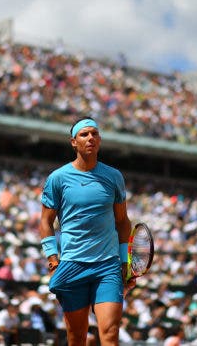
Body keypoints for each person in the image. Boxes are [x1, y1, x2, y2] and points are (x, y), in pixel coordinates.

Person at [39, 116, 135, 345]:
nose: (90, 137)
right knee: (77, 338)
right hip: (73, 264)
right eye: (84, 134)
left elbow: (122, 222)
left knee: (110, 334)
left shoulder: (114, 177)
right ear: (74, 142)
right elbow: (45, 222)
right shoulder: (58, 178)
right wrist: (53, 261)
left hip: (108, 265)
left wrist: (125, 261)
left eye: (94, 133)